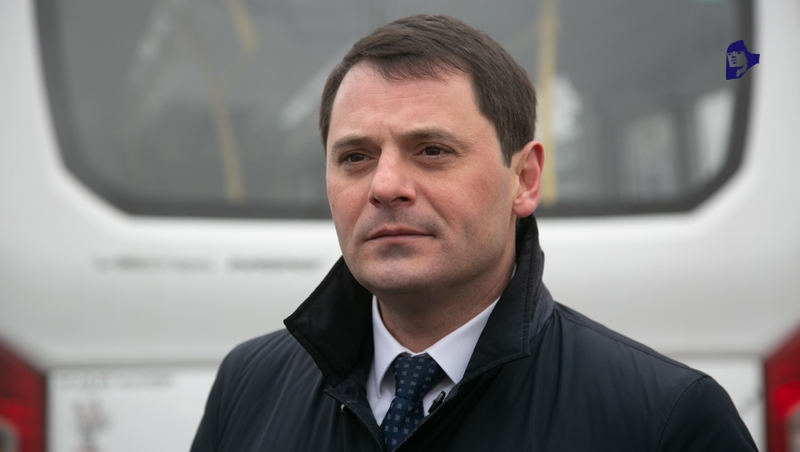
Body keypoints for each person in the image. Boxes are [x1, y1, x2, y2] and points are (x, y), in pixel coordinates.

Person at [191, 15, 757, 451]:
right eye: (355, 157)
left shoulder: (667, 420)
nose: (385, 186)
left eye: (432, 150)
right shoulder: (248, 386)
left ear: (525, 179)